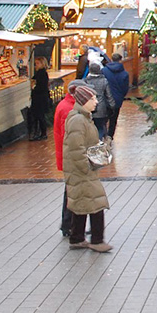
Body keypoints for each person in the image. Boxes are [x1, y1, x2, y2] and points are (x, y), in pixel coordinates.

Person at [63, 84, 112, 253]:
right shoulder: (78, 120)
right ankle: (97, 240)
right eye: (93, 98)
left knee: (82, 202)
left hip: (81, 169)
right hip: (81, 170)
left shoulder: (84, 118)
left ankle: (77, 238)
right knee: (96, 202)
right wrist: (86, 167)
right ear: (84, 101)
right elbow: (76, 148)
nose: (96, 101)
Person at [54, 79, 88, 237]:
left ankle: (70, 224)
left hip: (70, 157)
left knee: (72, 190)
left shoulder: (69, 106)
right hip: (71, 158)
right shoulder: (69, 109)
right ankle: (69, 225)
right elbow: (69, 138)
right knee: (72, 191)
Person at [102, 53, 130, 140]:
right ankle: (110, 137)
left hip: (105, 98)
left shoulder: (104, 71)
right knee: (113, 120)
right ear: (120, 60)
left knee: (104, 119)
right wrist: (121, 96)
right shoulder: (125, 74)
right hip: (117, 99)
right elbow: (125, 88)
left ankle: (103, 135)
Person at [84, 61, 114, 141]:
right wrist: (112, 106)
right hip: (101, 107)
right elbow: (109, 95)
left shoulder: (86, 81)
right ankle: (99, 141)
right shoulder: (104, 81)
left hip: (88, 107)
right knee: (100, 127)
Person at [28, 57, 51, 141]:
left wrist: (34, 87)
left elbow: (41, 86)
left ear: (42, 64)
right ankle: (41, 133)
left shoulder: (42, 74)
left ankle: (42, 133)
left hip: (39, 98)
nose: (36, 65)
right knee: (39, 116)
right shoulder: (41, 73)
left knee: (39, 116)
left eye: (37, 63)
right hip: (40, 98)